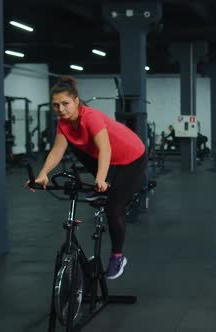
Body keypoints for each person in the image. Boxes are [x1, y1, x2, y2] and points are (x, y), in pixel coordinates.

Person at [27, 76, 146, 280]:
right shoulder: (63, 123)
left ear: (76, 101)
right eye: (56, 105)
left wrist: (101, 179)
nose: (61, 109)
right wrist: (42, 174)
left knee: (113, 208)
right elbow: (57, 150)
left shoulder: (89, 117)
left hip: (131, 156)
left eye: (65, 103)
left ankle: (118, 257)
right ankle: (103, 184)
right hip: (107, 158)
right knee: (73, 141)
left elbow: (105, 149)